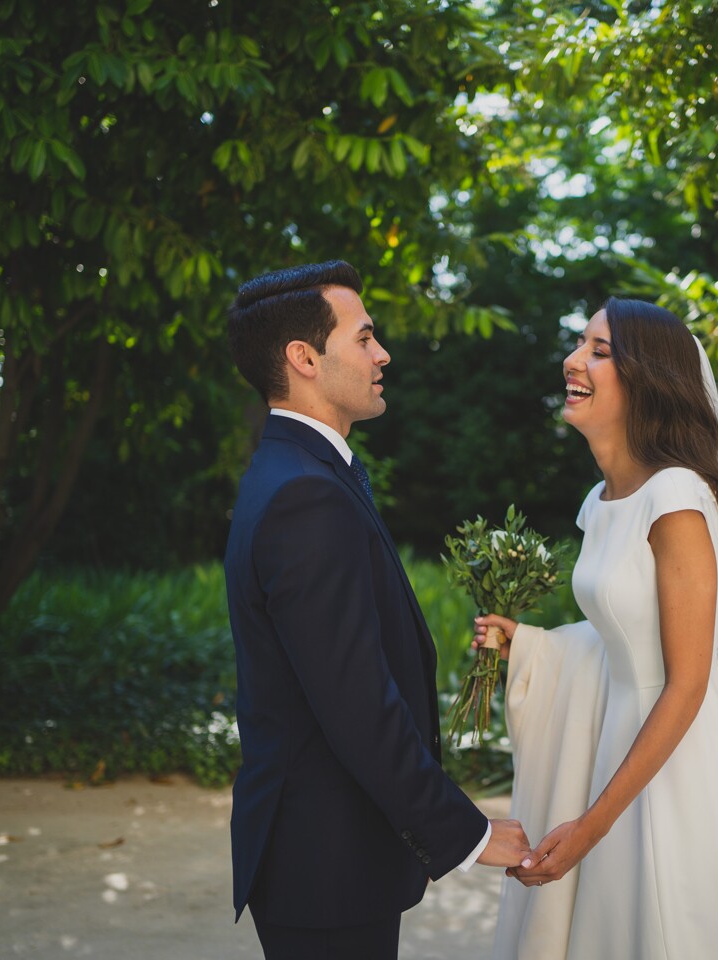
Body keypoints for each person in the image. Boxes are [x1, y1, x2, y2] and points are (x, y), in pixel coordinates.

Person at [474, 297, 718, 959]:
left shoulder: (676, 498)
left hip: (677, 770)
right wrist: (529, 643)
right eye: (580, 344)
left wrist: (590, 828)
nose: (573, 360)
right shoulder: (602, 502)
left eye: (600, 351)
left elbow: (686, 682)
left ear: (648, 380)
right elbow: (615, 639)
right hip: (614, 746)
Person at [223, 260, 533, 960]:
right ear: (303, 358)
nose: (382, 352)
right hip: (324, 860)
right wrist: (468, 832)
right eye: (364, 338)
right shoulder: (305, 495)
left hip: (330, 855)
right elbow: (356, 701)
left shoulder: (300, 472)